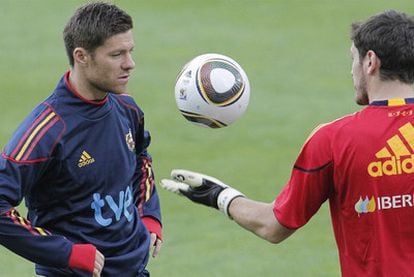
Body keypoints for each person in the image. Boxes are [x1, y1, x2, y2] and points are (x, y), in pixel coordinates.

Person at [161, 10, 414, 276]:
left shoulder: (334, 140)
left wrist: (219, 196)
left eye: (353, 59)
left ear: (370, 61)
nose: (351, 70)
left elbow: (274, 225)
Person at [0, 2, 162, 276]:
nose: (130, 64)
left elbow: (141, 159)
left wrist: (149, 214)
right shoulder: (47, 130)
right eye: (116, 54)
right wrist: (67, 253)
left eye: (130, 51)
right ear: (82, 56)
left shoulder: (127, 109)